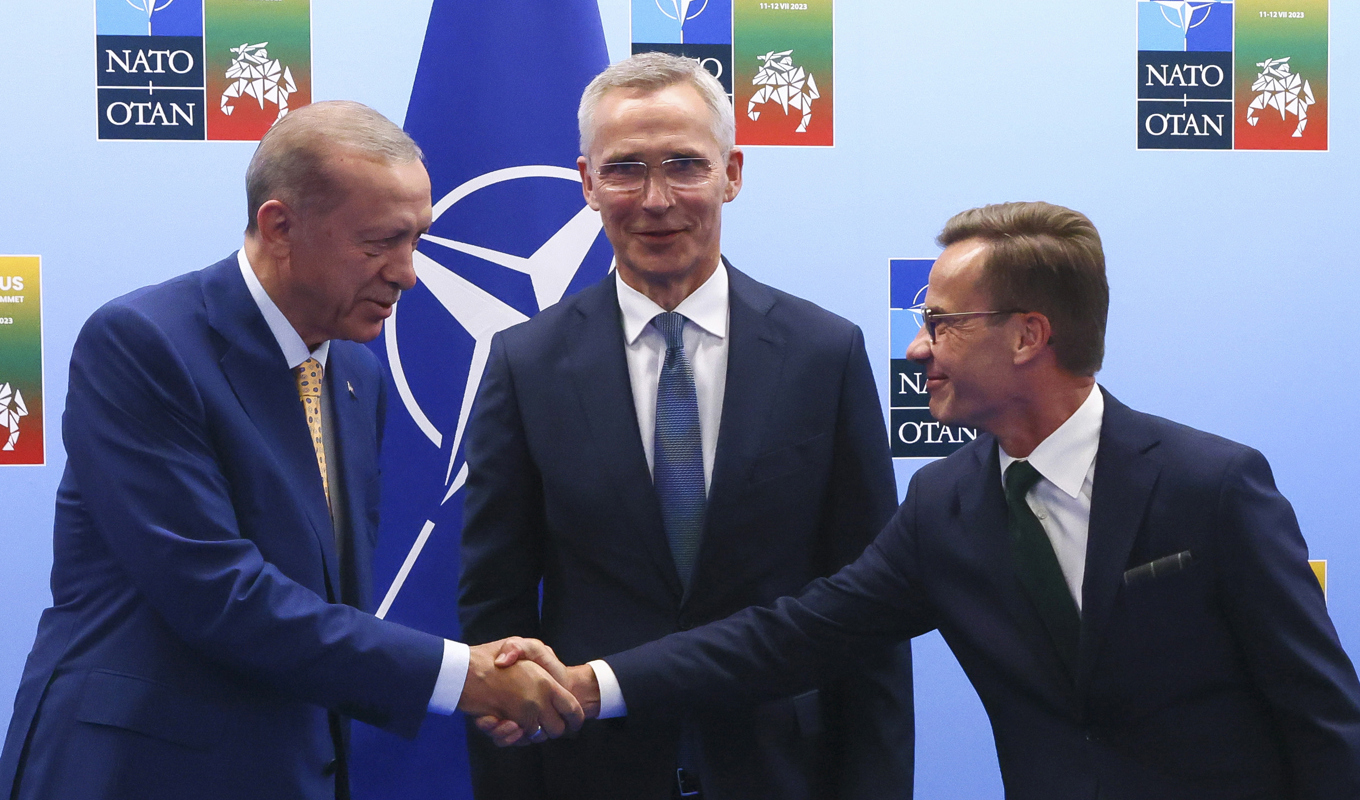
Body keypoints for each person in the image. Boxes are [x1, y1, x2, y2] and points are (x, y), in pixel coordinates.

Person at [493, 201, 1360, 799]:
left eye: (942, 323)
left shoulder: (1212, 486)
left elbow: (1322, 716)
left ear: (1028, 335)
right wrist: (593, 683)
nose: (916, 350)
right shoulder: (945, 506)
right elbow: (790, 638)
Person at [0, 101, 580, 800]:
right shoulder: (143, 344)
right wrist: (462, 677)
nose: (408, 273)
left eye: (416, 239)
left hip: (291, 770)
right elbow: (218, 592)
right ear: (279, 226)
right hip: (138, 773)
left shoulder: (356, 373)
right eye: (380, 242)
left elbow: (331, 599)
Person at [457, 52, 914, 800]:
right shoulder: (525, 364)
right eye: (625, 169)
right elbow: (496, 618)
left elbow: (869, 614)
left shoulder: (823, 354)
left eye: (684, 165)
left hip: (781, 775)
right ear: (587, 183)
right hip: (592, 776)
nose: (656, 199)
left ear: (732, 173)